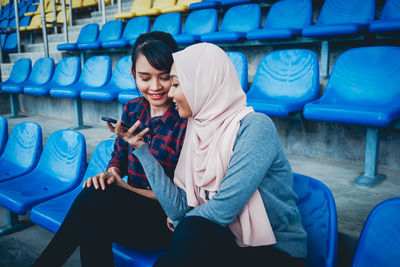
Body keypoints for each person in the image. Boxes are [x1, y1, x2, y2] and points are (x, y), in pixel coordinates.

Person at [123, 43, 308, 267]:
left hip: (275, 251)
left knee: (188, 232)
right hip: (224, 240)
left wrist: (182, 221)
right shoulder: (196, 129)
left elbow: (223, 208)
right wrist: (142, 150)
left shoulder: (256, 126)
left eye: (176, 84)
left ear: (203, 85)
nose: (170, 93)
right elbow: (178, 207)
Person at [31, 31, 187, 267]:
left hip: (167, 222)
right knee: (93, 218)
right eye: (145, 78)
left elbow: (183, 200)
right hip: (130, 211)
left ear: (176, 74)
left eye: (164, 77)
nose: (155, 87)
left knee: (94, 203)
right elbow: (119, 157)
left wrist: (124, 188)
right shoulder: (133, 108)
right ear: (134, 74)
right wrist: (112, 173)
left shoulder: (185, 118)